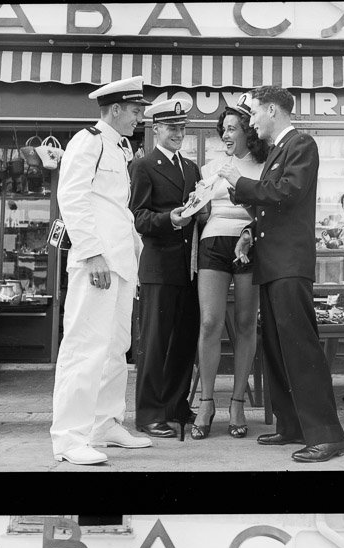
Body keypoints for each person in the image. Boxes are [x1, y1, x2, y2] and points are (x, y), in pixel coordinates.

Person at [217, 85, 344, 463]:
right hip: (273, 262)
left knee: (300, 348)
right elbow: (273, 207)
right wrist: (248, 235)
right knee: (277, 347)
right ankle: (292, 425)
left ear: (273, 110)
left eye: (255, 113)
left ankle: (327, 436)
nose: (251, 121)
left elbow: (287, 192)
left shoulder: (301, 144)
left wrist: (238, 182)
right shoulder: (279, 150)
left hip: (289, 264)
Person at [50, 76, 152, 465]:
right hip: (98, 262)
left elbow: (114, 209)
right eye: (135, 111)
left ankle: (104, 423)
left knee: (114, 346)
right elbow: (71, 196)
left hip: (121, 263)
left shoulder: (120, 147)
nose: (139, 118)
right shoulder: (88, 141)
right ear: (115, 110)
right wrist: (92, 254)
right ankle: (69, 437)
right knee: (85, 346)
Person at [190, 94, 268, 440]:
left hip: (248, 243)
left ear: (248, 131)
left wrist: (250, 229)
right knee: (210, 322)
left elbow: (266, 212)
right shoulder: (209, 169)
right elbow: (203, 213)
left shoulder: (262, 167)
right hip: (213, 242)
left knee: (245, 323)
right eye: (222, 129)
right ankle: (207, 402)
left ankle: (237, 402)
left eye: (232, 128)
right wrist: (197, 205)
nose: (225, 134)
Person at [129, 99, 201, 439]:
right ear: (156, 129)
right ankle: (149, 413)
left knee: (184, 342)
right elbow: (139, 217)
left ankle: (175, 405)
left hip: (189, 268)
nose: (179, 134)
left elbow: (198, 208)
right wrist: (169, 219)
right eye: (172, 128)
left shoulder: (192, 168)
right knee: (155, 343)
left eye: (182, 127)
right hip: (159, 266)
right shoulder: (143, 166)